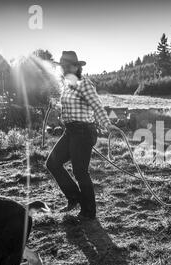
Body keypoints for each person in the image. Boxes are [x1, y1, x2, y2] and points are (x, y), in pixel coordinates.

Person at [46, 51, 117, 221]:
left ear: (77, 67)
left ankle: (89, 212)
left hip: (84, 132)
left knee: (80, 172)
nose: (66, 69)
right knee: (53, 163)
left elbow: (97, 107)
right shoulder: (66, 85)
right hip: (70, 131)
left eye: (69, 66)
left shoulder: (85, 84)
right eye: (63, 67)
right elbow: (71, 107)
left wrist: (107, 124)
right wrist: (56, 106)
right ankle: (74, 198)